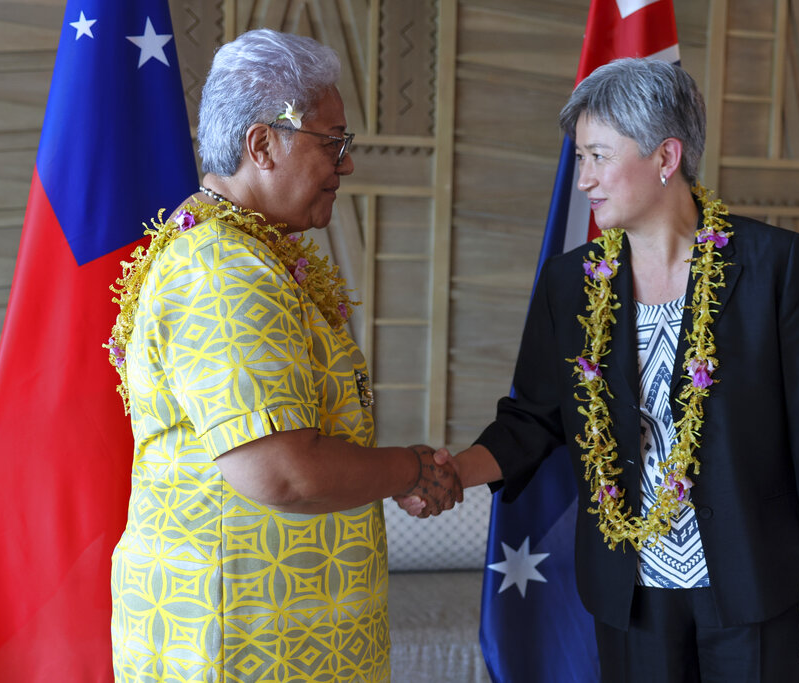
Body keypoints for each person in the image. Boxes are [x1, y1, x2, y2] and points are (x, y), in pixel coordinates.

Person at [399, 58, 799, 682]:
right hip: (631, 591)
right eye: (581, 160)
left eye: (597, 157)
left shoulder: (776, 265)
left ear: (665, 157)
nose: (584, 181)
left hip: (756, 583)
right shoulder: (569, 283)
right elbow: (533, 420)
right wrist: (452, 472)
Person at [105, 29, 461, 683]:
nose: (346, 164)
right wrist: (409, 469)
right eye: (333, 142)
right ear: (261, 144)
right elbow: (281, 472)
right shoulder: (222, 270)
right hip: (236, 642)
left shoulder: (249, 254)